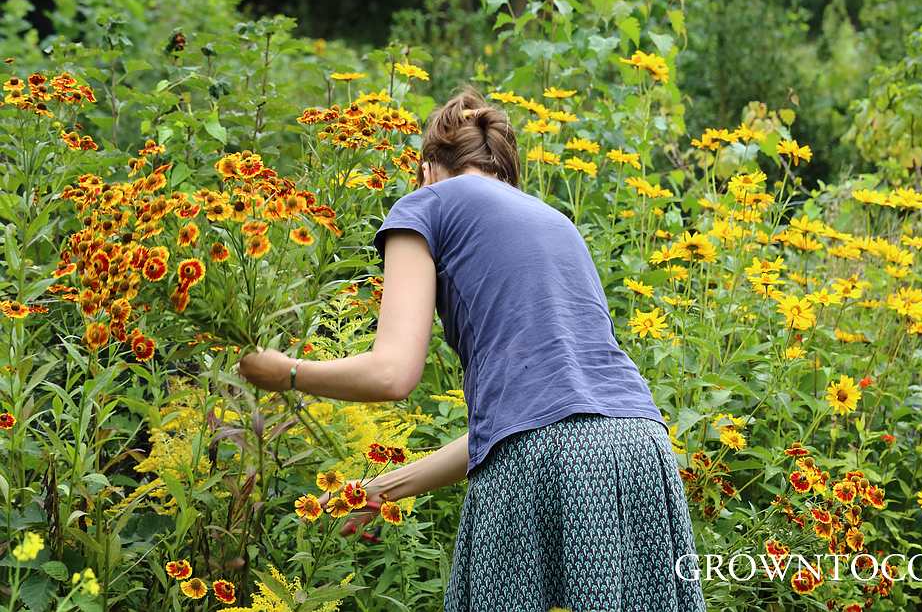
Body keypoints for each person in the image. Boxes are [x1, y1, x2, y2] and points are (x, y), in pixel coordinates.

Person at [239, 86, 706, 611]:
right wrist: (382, 489)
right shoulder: (558, 223)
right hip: (641, 450)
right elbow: (524, 423)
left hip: (544, 459)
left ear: (427, 169)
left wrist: (287, 373)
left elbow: (393, 374)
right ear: (504, 172)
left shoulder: (426, 205)